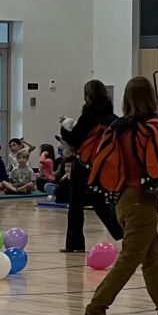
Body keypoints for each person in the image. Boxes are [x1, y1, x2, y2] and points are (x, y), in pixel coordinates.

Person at [81, 76, 158, 315]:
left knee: (152, 254)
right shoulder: (153, 127)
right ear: (150, 97)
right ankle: (97, 307)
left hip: (122, 198)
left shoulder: (118, 127)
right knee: (131, 258)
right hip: (141, 200)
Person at [62, 80, 122, 254]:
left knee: (76, 203)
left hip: (83, 163)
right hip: (102, 163)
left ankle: (75, 244)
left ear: (88, 95)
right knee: (97, 199)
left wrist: (64, 128)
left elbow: (74, 139)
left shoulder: (88, 115)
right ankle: (120, 231)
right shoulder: (111, 116)